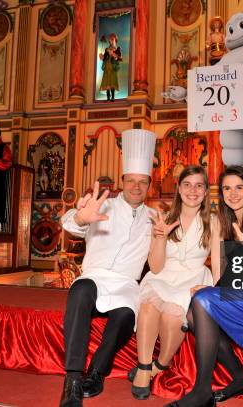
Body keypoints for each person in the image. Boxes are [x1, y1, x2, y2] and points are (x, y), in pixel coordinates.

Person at [165, 166, 243, 407]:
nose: (233, 193)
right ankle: (239, 377)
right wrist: (213, 291)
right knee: (195, 310)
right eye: (227, 188)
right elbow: (232, 274)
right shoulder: (231, 222)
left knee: (203, 302)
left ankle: (201, 391)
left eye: (240, 187)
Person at [59, 129, 156, 407]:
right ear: (122, 181)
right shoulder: (104, 205)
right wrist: (80, 217)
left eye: (142, 182)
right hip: (95, 277)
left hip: (126, 284)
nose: (136, 187)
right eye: (131, 180)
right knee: (80, 292)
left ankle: (97, 373)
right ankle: (73, 379)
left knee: (126, 315)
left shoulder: (155, 217)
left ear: (150, 184)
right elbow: (69, 222)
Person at [129, 165, 219, 400]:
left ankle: (160, 364)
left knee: (172, 313)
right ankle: (144, 365)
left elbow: (218, 265)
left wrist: (214, 291)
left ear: (205, 191)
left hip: (193, 278)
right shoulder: (164, 217)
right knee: (149, 305)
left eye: (199, 185)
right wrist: (159, 237)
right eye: (187, 185)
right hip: (163, 275)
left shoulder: (214, 221)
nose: (193, 190)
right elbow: (156, 267)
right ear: (178, 189)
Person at [99, 33, 122, 102]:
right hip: (107, 67)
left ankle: (112, 98)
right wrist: (102, 57)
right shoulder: (107, 49)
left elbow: (120, 58)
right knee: (107, 83)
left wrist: (114, 55)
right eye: (110, 39)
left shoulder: (117, 48)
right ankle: (108, 98)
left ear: (115, 40)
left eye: (112, 39)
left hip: (113, 67)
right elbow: (104, 58)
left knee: (112, 82)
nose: (111, 41)